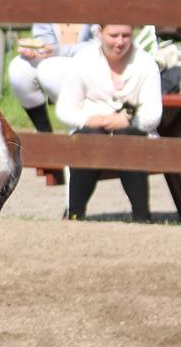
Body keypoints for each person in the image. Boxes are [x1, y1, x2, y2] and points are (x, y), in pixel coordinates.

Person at [8, 0, 115, 132]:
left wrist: (57, 50)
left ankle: (80, 129)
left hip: (95, 63)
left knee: (49, 70)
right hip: (56, 57)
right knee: (18, 69)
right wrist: (37, 49)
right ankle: (45, 134)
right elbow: (43, 34)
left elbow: (103, 44)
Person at [55, 24, 162, 222]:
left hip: (134, 134)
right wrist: (86, 119)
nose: (119, 42)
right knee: (88, 138)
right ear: (100, 33)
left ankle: (142, 217)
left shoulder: (146, 63)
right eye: (113, 35)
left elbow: (153, 114)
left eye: (126, 35)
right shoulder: (83, 60)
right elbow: (64, 109)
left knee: (128, 138)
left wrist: (127, 119)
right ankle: (75, 215)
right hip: (91, 132)